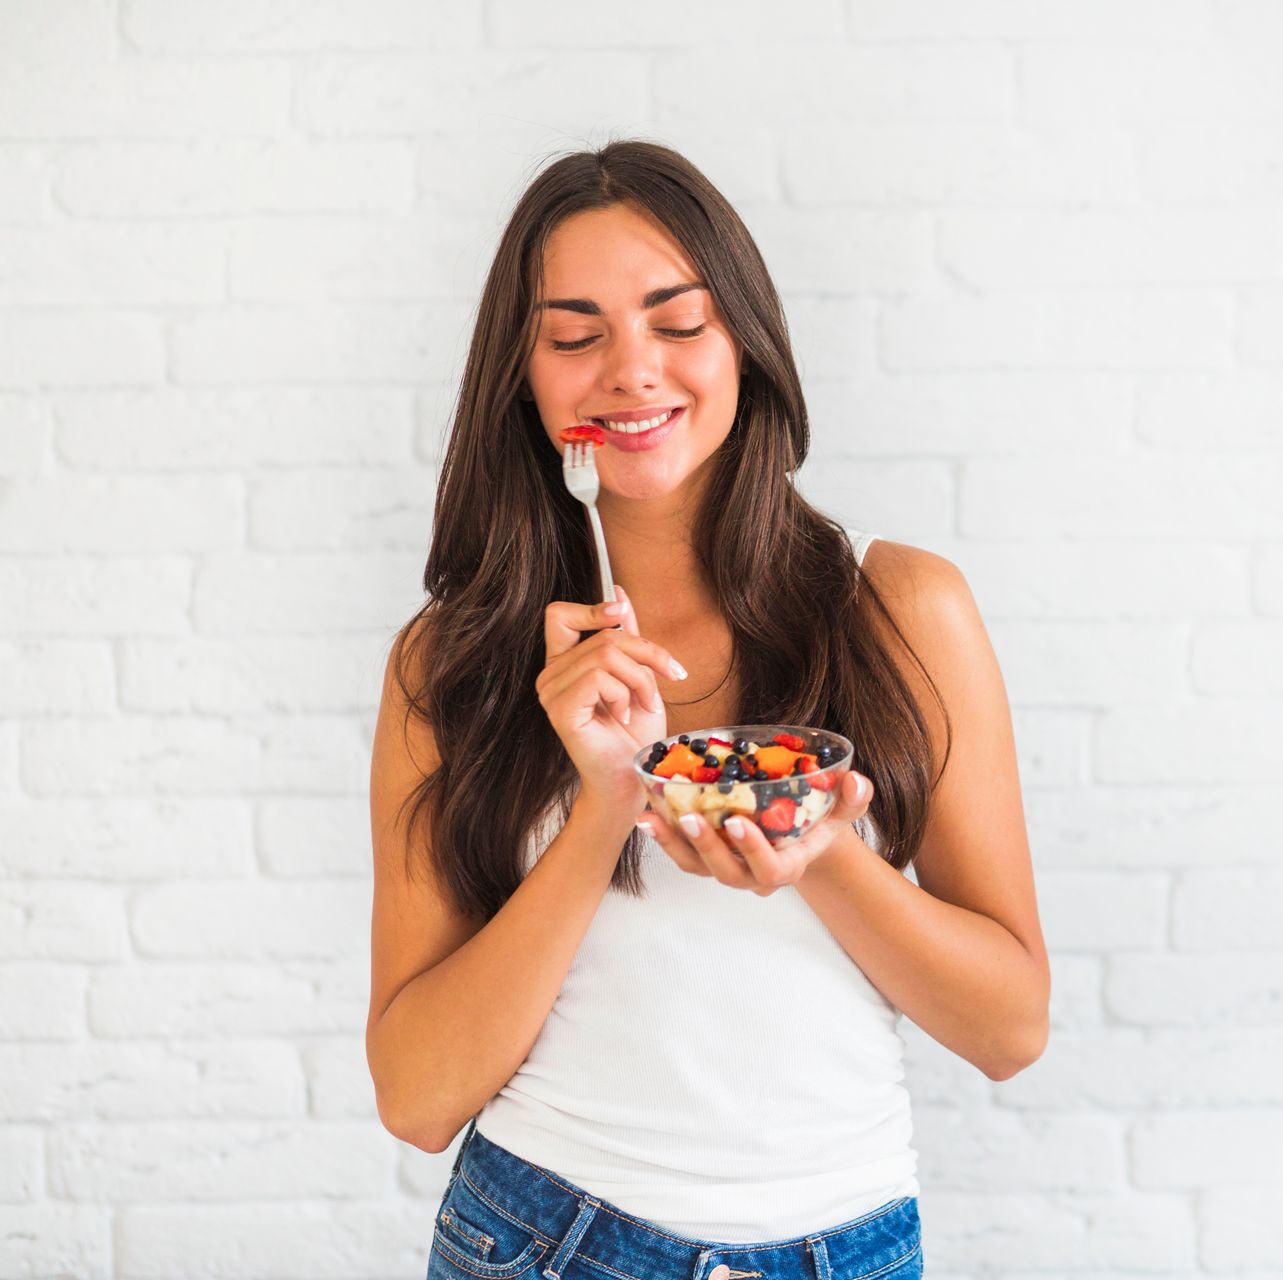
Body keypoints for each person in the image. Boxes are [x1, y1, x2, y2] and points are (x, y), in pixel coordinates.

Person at [364, 139, 1048, 1280]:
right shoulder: (451, 665)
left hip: (852, 1244)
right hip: (543, 1239)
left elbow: (1009, 1028)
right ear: (523, 377)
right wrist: (604, 801)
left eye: (676, 323)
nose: (631, 371)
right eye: (576, 335)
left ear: (746, 344)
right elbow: (418, 1096)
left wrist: (821, 847)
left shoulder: (904, 611)